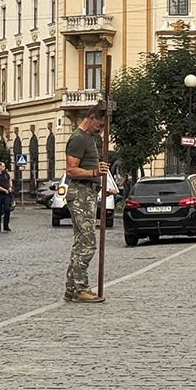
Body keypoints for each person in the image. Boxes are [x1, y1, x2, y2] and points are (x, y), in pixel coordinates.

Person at [63, 106, 109, 304]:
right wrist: (94, 174)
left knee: (80, 243)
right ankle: (80, 288)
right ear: (91, 118)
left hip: (88, 192)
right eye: (99, 125)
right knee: (88, 242)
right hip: (80, 193)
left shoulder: (89, 138)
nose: (100, 130)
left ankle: (72, 288)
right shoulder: (79, 139)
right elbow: (71, 171)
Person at [0, 161, 13, 232]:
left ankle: (6, 226)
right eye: (3, 166)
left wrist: (10, 187)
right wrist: (4, 190)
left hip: (6, 195)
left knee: (7, 209)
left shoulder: (6, 174)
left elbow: (10, 180)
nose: (4, 168)